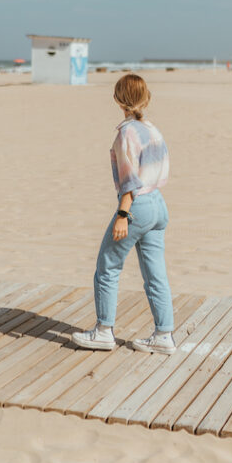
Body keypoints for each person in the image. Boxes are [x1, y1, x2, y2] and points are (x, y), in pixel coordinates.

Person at [72, 73, 176, 354]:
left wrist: (123, 214)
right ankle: (164, 335)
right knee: (155, 274)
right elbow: (160, 169)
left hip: (138, 205)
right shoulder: (153, 130)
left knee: (107, 267)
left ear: (119, 99)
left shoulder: (126, 132)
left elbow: (130, 179)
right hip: (158, 204)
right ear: (146, 98)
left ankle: (104, 331)